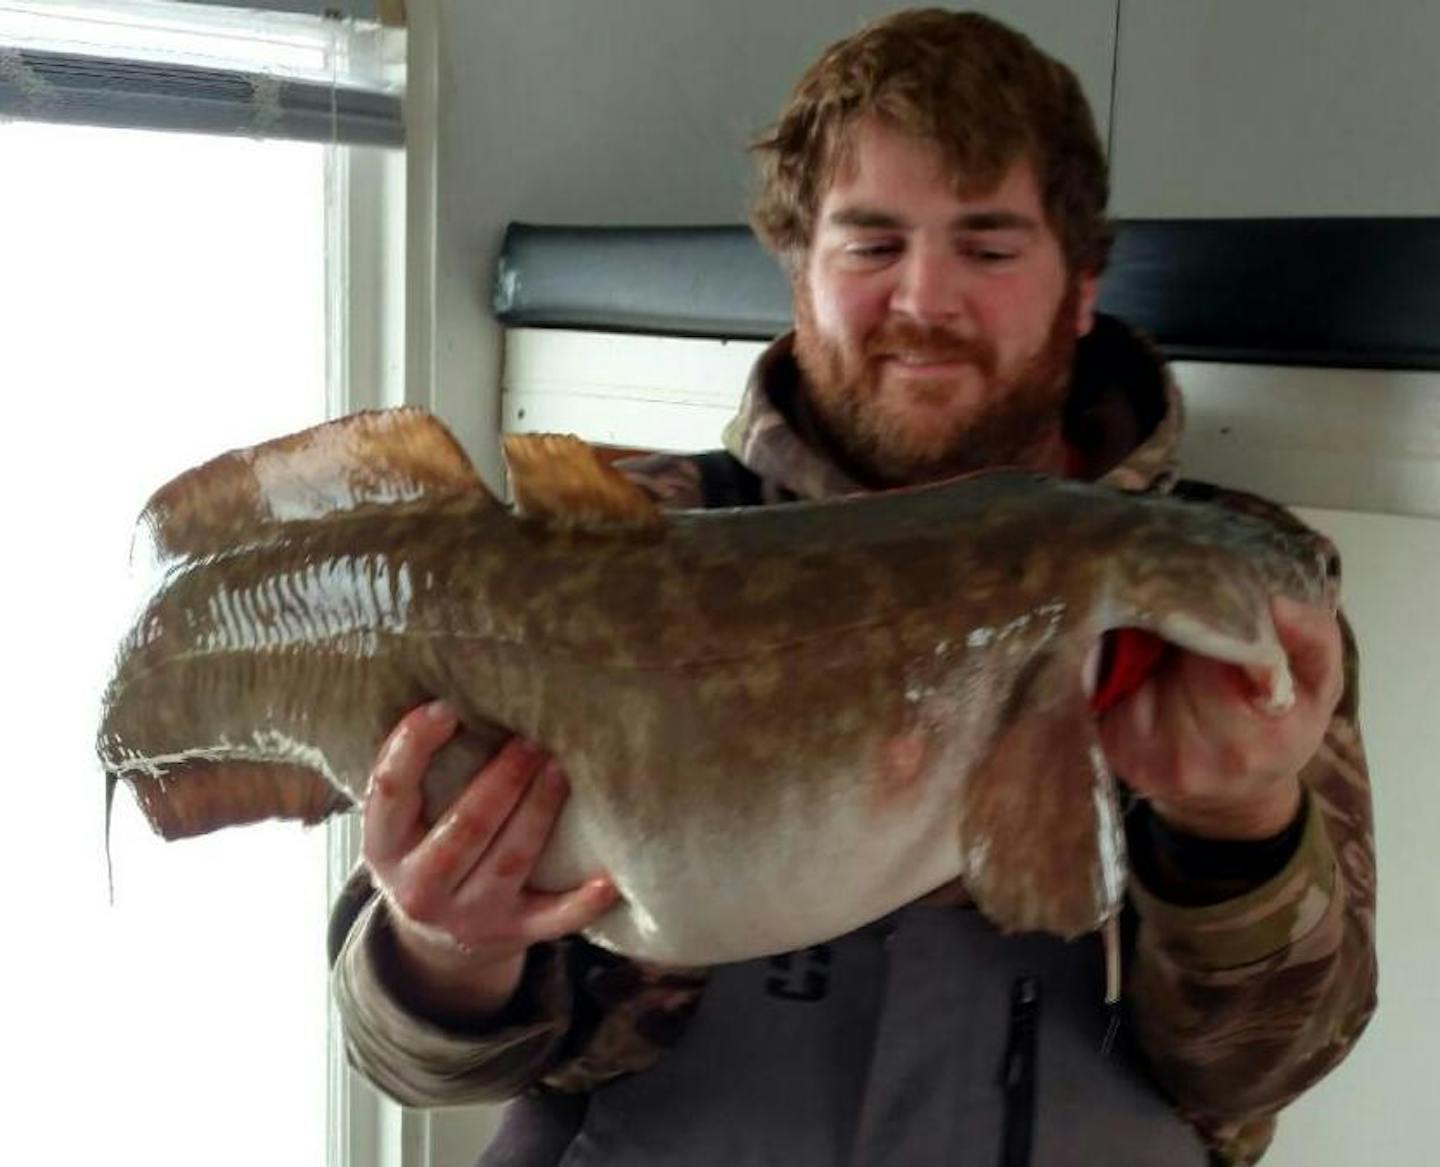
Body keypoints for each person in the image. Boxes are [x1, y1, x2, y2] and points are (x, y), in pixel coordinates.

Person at [329, 9, 1376, 1164]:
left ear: (1081, 286)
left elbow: (1268, 1064)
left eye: (987, 248)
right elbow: (406, 1060)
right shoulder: (625, 550)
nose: (924, 303)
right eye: (873, 246)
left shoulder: (1222, 588)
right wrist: (446, 950)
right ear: (798, 270)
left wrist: (1236, 826)